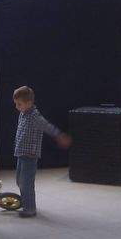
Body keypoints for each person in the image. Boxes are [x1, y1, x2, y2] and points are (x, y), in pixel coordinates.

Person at [12, 85, 72, 218]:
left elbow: (47, 126)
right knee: (19, 180)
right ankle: (26, 202)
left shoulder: (34, 116)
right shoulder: (23, 113)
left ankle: (30, 208)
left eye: (19, 104)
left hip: (30, 154)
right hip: (21, 153)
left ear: (29, 103)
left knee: (26, 182)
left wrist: (59, 135)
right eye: (15, 104)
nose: (17, 107)